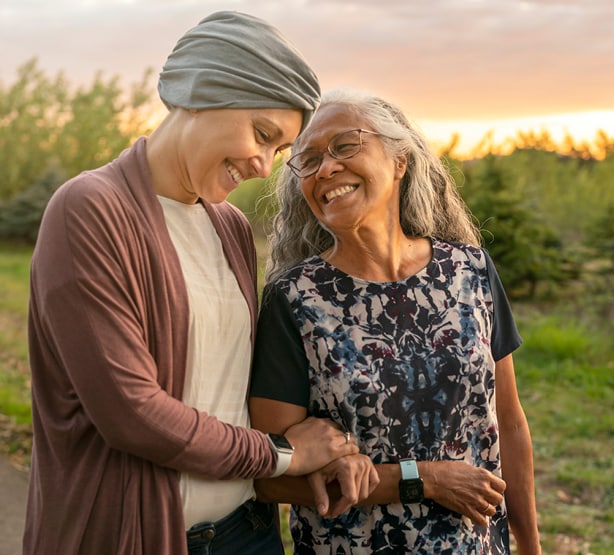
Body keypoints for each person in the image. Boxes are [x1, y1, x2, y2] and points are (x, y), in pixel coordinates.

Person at [23, 12, 361, 555]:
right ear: (204, 91)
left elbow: (231, 384)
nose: (261, 165)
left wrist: (331, 450)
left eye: (278, 152)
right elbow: (132, 414)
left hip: (247, 534)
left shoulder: (227, 226)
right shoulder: (90, 209)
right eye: (263, 134)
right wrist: (282, 455)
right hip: (135, 535)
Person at [249, 88, 542, 554]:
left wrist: (528, 542)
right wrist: (422, 480)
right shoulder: (293, 300)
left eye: (345, 146)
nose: (326, 168)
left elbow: (508, 423)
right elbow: (272, 480)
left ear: (399, 160)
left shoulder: (471, 271)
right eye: (308, 160)